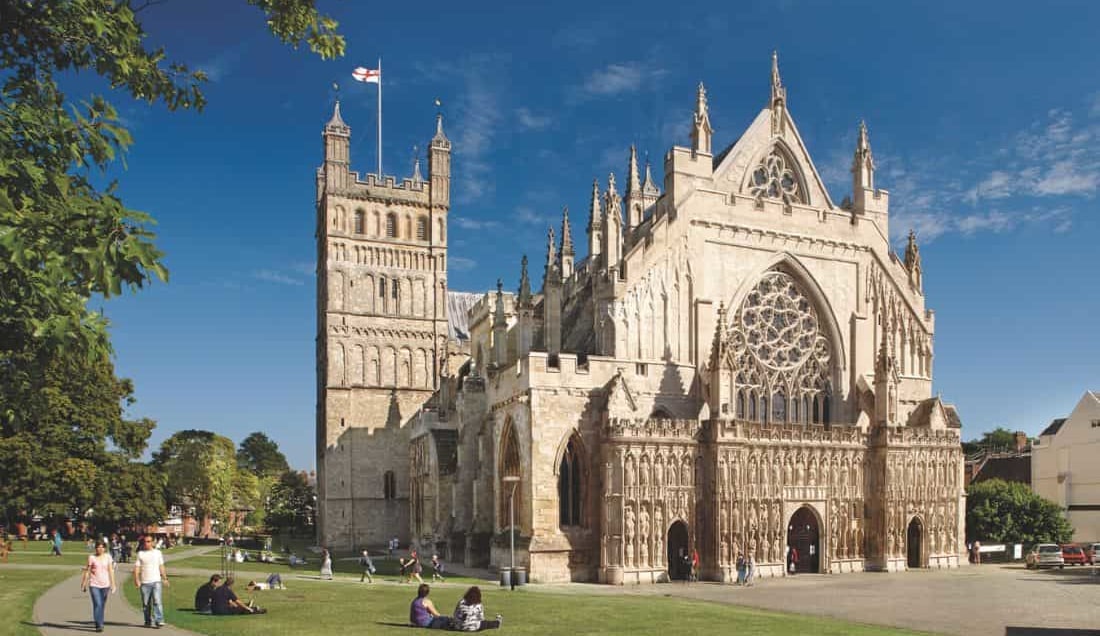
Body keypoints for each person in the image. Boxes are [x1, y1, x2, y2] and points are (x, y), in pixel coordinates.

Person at [80, 540, 117, 633]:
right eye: (98, 547)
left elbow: (111, 571)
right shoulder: (91, 557)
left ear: (104, 548)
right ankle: (99, 625)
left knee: (102, 605)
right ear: (95, 548)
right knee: (97, 604)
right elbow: (87, 571)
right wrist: (84, 583)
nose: (100, 549)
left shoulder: (108, 557)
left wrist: (113, 584)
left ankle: (99, 621)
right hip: (94, 584)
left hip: (105, 584)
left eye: (102, 547)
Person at [133, 534, 169, 628]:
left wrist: (165, 578)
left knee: (157, 601)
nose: (147, 543)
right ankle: (147, 620)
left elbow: (161, 566)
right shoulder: (141, 554)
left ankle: (159, 620)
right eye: (145, 541)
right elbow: (137, 567)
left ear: (153, 542)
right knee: (146, 603)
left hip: (156, 580)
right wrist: (136, 579)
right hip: (145, 582)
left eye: (149, 541)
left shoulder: (158, 553)